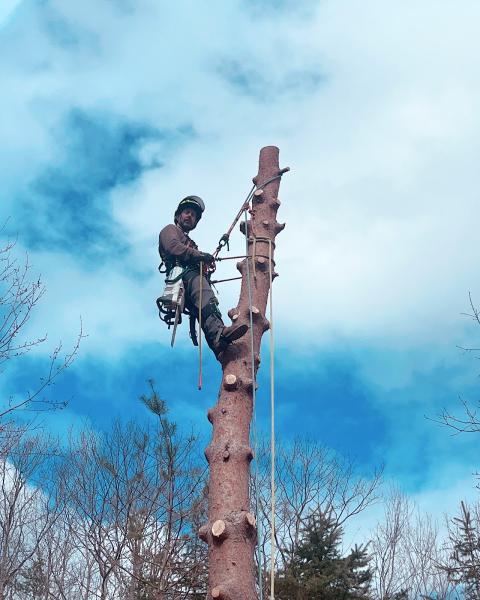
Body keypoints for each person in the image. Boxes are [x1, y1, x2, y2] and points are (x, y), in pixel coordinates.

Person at [158, 196, 248, 358]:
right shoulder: (170, 229)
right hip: (184, 277)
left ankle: (219, 347)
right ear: (178, 215)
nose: (189, 216)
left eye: (193, 215)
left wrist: (204, 263)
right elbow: (173, 247)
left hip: (191, 280)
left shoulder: (189, 241)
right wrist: (200, 256)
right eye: (187, 212)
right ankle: (219, 335)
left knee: (205, 309)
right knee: (207, 301)